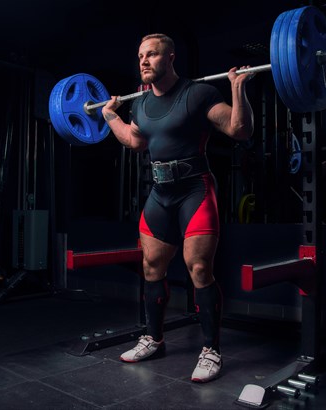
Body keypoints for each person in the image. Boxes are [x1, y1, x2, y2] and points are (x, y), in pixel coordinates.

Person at [101, 33, 255, 383]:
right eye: (140, 55)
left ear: (170, 58)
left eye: (151, 55)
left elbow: (239, 130)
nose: (143, 61)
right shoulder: (139, 103)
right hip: (160, 193)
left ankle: (211, 349)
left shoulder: (197, 93)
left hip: (194, 191)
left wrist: (238, 87)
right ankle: (153, 339)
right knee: (151, 265)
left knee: (199, 268)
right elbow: (137, 142)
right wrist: (111, 117)